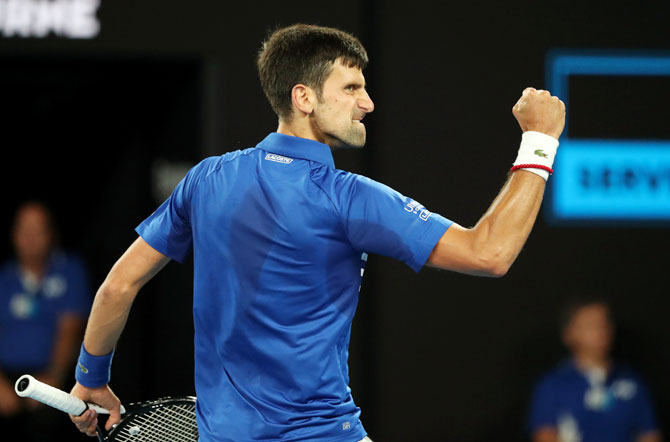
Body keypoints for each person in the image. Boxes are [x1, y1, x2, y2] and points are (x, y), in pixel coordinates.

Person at [69, 24, 565, 442]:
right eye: (351, 88)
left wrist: (91, 378)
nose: (367, 103)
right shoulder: (346, 196)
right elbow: (490, 253)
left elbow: (119, 286)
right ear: (302, 97)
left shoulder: (206, 179)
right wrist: (540, 140)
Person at [0, 202, 90, 441]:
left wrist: (50, 382)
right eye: (24, 230)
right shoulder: (4, 277)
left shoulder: (70, 270)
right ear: (13, 235)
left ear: (51, 235)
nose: (29, 238)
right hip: (5, 378)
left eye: (37, 230)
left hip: (52, 377)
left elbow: (70, 330)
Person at [528, 298, 662, 442]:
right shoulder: (552, 385)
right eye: (590, 325)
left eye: (604, 323)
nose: (600, 331)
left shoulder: (633, 381)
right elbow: (544, 435)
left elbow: (649, 434)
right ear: (568, 334)